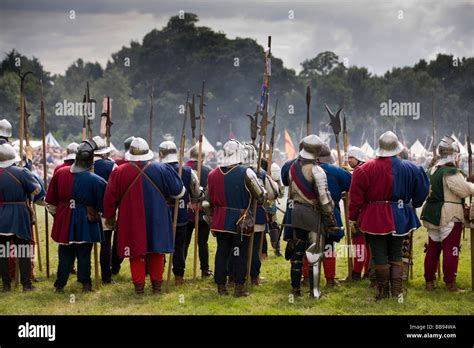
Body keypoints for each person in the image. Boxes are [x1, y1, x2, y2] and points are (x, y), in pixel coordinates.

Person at [349, 131, 429, 300]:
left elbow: (356, 198)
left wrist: (354, 217)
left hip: (375, 218)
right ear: (397, 148)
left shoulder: (364, 169)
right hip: (400, 216)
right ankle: (397, 293)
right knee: (396, 254)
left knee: (380, 255)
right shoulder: (412, 168)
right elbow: (422, 190)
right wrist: (413, 204)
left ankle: (383, 292)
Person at [103, 137, 185, 294]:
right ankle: (157, 287)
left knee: (135, 251)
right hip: (158, 215)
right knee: (157, 250)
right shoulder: (162, 169)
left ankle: (139, 288)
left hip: (130, 217)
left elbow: (109, 198)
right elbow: (179, 191)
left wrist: (110, 217)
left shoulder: (119, 172)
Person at [203, 139, 265, 297]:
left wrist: (211, 217)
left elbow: (207, 201)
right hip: (240, 221)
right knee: (239, 254)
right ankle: (238, 287)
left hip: (220, 220)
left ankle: (221, 287)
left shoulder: (212, 174)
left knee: (222, 253)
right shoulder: (247, 172)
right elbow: (261, 195)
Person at [45, 140, 107, 293]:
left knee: (65, 255)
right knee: (84, 254)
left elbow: (51, 203)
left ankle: (60, 286)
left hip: (66, 218)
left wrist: (59, 216)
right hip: (85, 220)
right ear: (91, 160)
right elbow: (102, 207)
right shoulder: (97, 181)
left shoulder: (60, 173)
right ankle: (85, 285)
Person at [287, 135, 338, 297]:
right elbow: (324, 199)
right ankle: (314, 292)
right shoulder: (317, 170)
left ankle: (295, 290)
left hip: (296, 212)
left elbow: (290, 193)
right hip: (313, 214)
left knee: (298, 254)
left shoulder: (292, 168)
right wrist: (330, 219)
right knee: (315, 254)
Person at [421, 135, 472, 292]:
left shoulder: (431, 171)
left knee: (433, 249)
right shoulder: (450, 171)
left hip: (432, 213)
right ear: (454, 154)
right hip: (448, 215)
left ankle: (430, 282)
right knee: (451, 249)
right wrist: (471, 185)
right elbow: (464, 191)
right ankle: (450, 283)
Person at [159, 140, 203, 285]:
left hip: (162, 215)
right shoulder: (188, 172)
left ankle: (157, 275)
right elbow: (196, 194)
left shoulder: (156, 169)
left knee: (160, 245)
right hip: (180, 215)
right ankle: (178, 277)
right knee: (179, 247)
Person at [0, 143, 41, 292]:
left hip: (1, 214)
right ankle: (27, 285)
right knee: (23, 250)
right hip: (19, 213)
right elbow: (37, 189)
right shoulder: (21, 171)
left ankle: (6, 286)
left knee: (3, 252)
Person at [184, 143, 213, 278]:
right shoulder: (209, 171)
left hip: (186, 212)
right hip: (202, 211)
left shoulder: (183, 169)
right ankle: (205, 270)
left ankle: (180, 270)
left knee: (184, 242)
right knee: (202, 242)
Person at [92, 136, 118, 284]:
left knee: (86, 245)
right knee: (106, 243)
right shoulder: (111, 165)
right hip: (106, 210)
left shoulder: (82, 164)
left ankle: (85, 277)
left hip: (87, 211)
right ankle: (106, 277)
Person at [347, 147, 372, 282]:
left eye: (351, 157)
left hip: (361, 212)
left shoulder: (359, 171)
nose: (348, 160)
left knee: (359, 244)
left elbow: (355, 198)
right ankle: (367, 272)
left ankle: (357, 273)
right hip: (371, 212)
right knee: (367, 243)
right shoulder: (368, 168)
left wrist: (352, 217)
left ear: (358, 158)